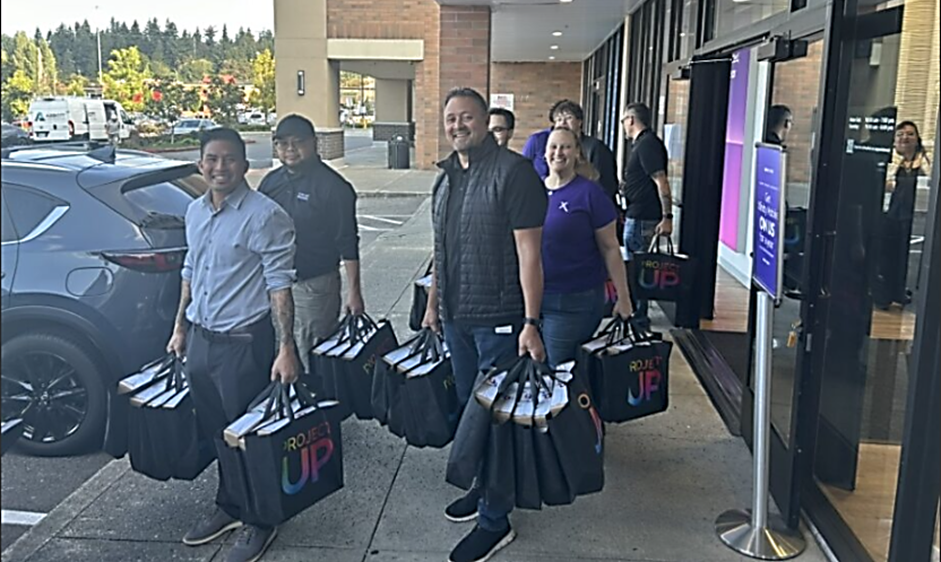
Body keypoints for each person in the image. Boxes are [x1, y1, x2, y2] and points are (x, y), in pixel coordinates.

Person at [422, 87, 547, 562]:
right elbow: (441, 249)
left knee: (493, 425)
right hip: (457, 319)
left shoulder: (514, 175)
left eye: (466, 117)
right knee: (470, 418)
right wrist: (434, 304)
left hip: (499, 321)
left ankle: (495, 521)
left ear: (485, 122)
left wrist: (531, 321)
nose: (457, 125)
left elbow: (530, 255)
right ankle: (482, 488)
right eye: (450, 118)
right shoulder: (447, 176)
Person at [166, 128, 300, 562]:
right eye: (211, 159)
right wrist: (180, 328)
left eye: (229, 160)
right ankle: (230, 504)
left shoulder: (265, 215)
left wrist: (286, 348)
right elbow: (191, 270)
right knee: (216, 432)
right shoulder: (194, 212)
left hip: (244, 344)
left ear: (245, 164)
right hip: (202, 340)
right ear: (200, 164)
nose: (219, 167)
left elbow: (279, 285)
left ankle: (261, 519)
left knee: (250, 438)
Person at [258, 115, 364, 369]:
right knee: (279, 351)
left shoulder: (334, 187)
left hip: (315, 286)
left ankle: (318, 405)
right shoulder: (270, 183)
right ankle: (287, 404)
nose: (290, 150)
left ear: (314, 143)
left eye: (298, 142)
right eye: (283, 144)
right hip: (275, 284)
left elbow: (347, 242)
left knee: (312, 355)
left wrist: (355, 293)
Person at [541, 127, 633, 367]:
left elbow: (611, 248)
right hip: (532, 299)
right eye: (553, 146)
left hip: (572, 300)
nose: (558, 152)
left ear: (577, 154)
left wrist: (623, 298)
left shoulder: (590, 194)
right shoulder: (533, 191)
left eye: (565, 147)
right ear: (544, 153)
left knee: (558, 370)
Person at [619, 102, 672, 330]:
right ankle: (635, 312)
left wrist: (667, 215)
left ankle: (638, 317)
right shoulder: (642, 144)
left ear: (631, 119)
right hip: (636, 212)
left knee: (638, 267)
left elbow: (661, 181)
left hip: (643, 217)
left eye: (623, 120)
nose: (622, 125)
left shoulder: (647, 144)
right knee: (635, 264)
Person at [876, 120, 932, 308]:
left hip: (916, 216)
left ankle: (900, 291)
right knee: (889, 255)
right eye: (900, 135)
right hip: (892, 215)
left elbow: (930, 182)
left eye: (909, 134)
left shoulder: (925, 160)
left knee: (906, 257)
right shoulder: (892, 160)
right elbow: (883, 184)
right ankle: (887, 292)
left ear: (917, 138)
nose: (904, 138)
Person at [523, 100, 619, 202]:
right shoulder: (538, 141)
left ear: (579, 122)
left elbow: (607, 185)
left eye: (569, 118)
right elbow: (523, 172)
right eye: (559, 119)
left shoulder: (596, 147)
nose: (563, 123)